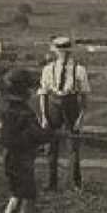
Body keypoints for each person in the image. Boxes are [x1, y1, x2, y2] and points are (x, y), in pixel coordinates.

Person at [0, 68, 56, 213]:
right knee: (29, 197)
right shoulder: (25, 113)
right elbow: (38, 135)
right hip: (23, 160)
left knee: (15, 196)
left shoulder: (8, 109)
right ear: (23, 90)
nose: (32, 91)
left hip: (9, 158)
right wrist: (51, 133)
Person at [38, 36, 91, 191]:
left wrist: (81, 118)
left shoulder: (80, 70)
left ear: (70, 52)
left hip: (71, 105)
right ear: (55, 52)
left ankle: (76, 183)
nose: (63, 54)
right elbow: (43, 93)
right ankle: (51, 183)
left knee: (73, 145)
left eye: (66, 51)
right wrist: (44, 116)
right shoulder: (48, 69)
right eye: (60, 51)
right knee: (51, 146)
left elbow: (85, 96)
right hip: (53, 105)